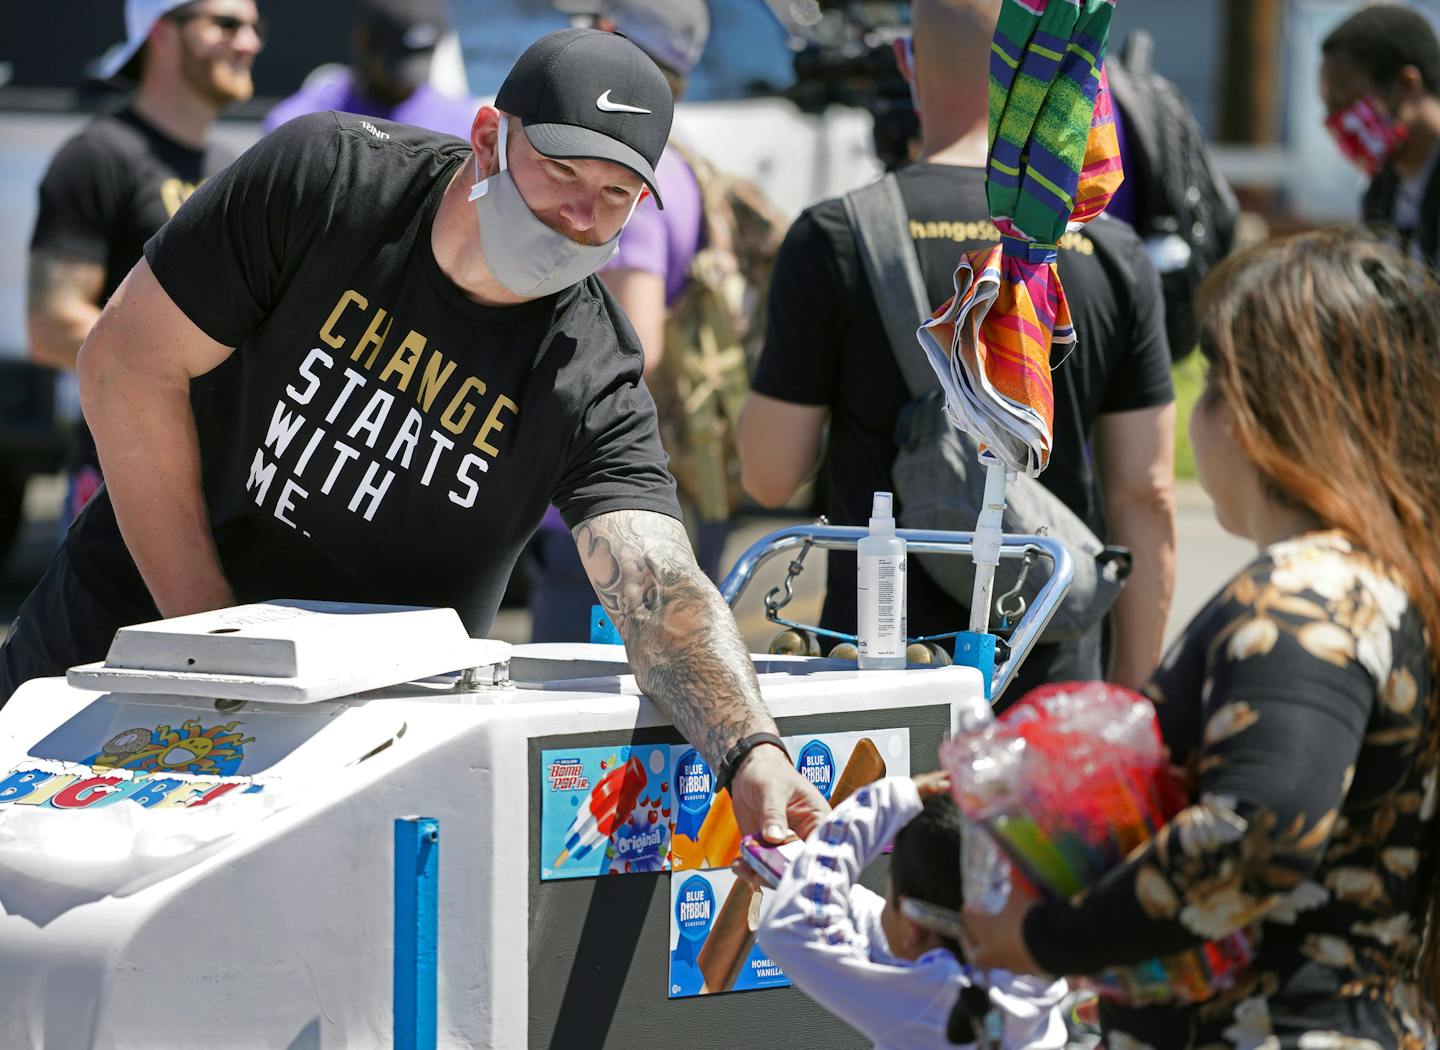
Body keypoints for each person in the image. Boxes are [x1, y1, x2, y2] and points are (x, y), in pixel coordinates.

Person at [0, 29, 825, 845]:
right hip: (114, 651)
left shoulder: (590, 368)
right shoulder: (330, 179)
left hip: (354, 750)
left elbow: (662, 593)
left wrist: (750, 749)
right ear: (490, 138)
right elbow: (125, 366)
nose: (580, 217)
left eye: (616, 196)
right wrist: (223, 649)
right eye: (563, 172)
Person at [960, 229, 1440, 1048]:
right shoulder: (1371, 577)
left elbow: (1258, 829)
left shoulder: (1310, 593)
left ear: (1265, 411)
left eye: (1215, 382)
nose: (1201, 413)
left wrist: (1048, 942)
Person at [737, 0, 1175, 696]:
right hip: (1054, 678)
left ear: (909, 64)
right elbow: (1145, 493)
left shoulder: (836, 237)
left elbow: (768, 474)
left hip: (876, 685)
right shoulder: (1116, 252)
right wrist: (1134, 691)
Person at [27, 0, 264, 526]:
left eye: (253, 27)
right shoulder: (98, 156)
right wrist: (208, 375)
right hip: (124, 481)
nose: (249, 43)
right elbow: (52, 323)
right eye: (225, 24)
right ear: (162, 33)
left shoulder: (232, 167)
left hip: (223, 481)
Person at [525, 0, 713, 641]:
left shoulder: (627, 179)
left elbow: (637, 342)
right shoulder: (679, 166)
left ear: (606, 36)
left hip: (594, 509)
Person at [756, 773, 1068, 1049]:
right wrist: (800, 872)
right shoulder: (1033, 978)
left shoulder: (932, 1004)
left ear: (913, 928)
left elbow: (790, 928)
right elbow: (893, 940)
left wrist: (888, 801)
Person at [1320, 4, 1440, 269]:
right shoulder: (1379, 194)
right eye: (1329, 110)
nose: (1335, 124)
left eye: (1344, 103)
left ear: (1407, 85)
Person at [262, 0, 474, 141]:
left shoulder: (464, 126)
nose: (407, 84)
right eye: (396, 60)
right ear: (363, 42)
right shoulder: (298, 128)